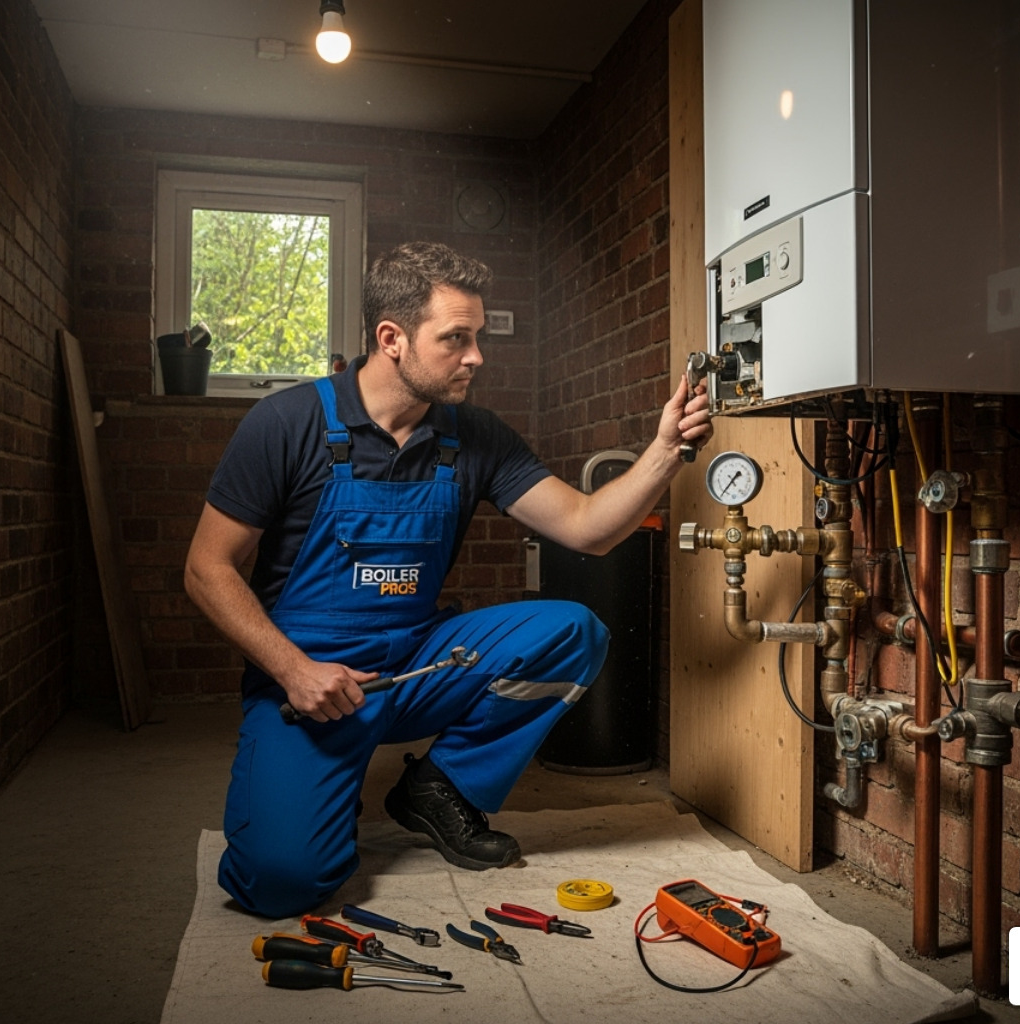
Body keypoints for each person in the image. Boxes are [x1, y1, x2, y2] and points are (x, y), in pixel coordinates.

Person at [184, 241, 712, 919]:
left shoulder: (475, 437)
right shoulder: (287, 424)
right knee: (283, 882)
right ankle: (311, 792)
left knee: (571, 632)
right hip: (309, 688)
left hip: (413, 668)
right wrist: (293, 670)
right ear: (392, 339)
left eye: (478, 338)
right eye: (456, 339)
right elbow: (206, 570)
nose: (476, 358)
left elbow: (588, 527)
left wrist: (665, 451)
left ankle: (442, 787)